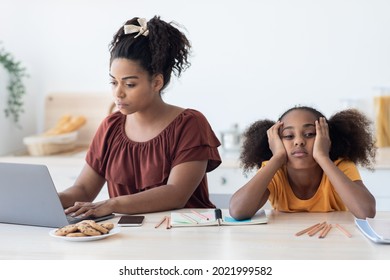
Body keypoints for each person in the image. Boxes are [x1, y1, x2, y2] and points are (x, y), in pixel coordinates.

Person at [59, 16, 221, 218]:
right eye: (113, 82)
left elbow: (176, 194)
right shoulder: (110, 126)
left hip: (184, 239)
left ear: (157, 82)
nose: (118, 93)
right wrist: (46, 199)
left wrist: (112, 204)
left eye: (129, 84)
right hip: (129, 239)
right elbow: (83, 190)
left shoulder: (190, 124)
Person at [229, 106, 377, 220]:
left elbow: (366, 212)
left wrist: (323, 157)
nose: (299, 141)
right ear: (276, 141)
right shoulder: (275, 171)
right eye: (288, 136)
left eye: (309, 134)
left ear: (326, 138)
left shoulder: (341, 167)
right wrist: (277, 158)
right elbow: (238, 211)